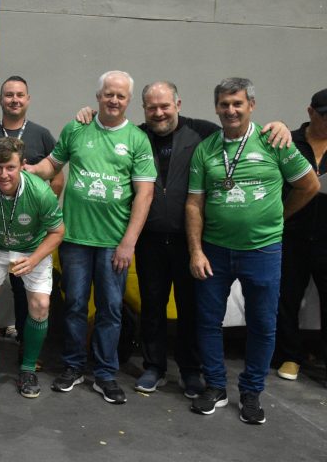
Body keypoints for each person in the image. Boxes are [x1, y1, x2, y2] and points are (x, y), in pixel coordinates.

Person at [75, 82, 291, 397]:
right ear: (143, 109)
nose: (159, 113)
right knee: (152, 304)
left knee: (191, 308)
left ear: (178, 104)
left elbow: (239, 130)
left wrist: (280, 126)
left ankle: (190, 370)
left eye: (165, 106)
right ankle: (154, 366)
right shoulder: (135, 135)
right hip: (149, 239)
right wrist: (88, 114)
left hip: (190, 240)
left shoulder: (203, 132)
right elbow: (106, 134)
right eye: (152, 107)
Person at [186, 77, 318, 424]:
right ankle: (216, 387)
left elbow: (308, 185)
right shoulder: (206, 149)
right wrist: (196, 251)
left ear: (251, 106)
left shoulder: (274, 141)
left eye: (237, 103)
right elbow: (194, 204)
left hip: (263, 251)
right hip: (215, 250)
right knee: (208, 321)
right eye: (224, 104)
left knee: (262, 323)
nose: (230, 110)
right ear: (216, 107)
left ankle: (251, 392)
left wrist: (280, 216)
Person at [26, 70, 156, 405]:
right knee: (74, 306)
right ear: (98, 96)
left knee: (111, 309)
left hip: (114, 243)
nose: (114, 100)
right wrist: (28, 170)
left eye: (121, 96)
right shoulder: (76, 128)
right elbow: (51, 166)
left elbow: (144, 194)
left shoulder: (137, 140)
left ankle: (105, 374)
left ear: (129, 101)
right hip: (75, 239)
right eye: (108, 94)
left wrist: (128, 242)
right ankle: (73, 367)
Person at [0, 75, 63, 360]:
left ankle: (27, 358)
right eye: (9, 95)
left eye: (20, 95)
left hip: (30, 237)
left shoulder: (41, 135)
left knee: (32, 301)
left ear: (27, 99)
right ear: (0, 100)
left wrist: (33, 208)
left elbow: (57, 179)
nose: (14, 100)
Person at [0, 137, 64, 398]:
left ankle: (28, 369)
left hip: (32, 249)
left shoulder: (40, 192)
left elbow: (57, 232)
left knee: (40, 305)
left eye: (10, 168)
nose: (3, 174)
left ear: (22, 165)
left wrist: (34, 259)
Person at [276, 88, 327, 383]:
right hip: (292, 233)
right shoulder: (289, 142)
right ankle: (290, 355)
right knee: (287, 297)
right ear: (311, 112)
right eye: (324, 116)